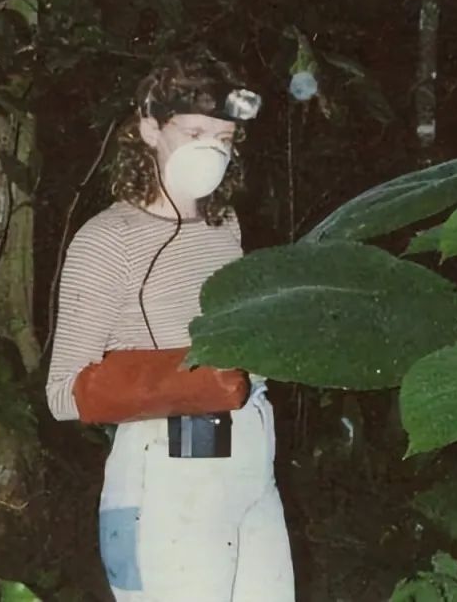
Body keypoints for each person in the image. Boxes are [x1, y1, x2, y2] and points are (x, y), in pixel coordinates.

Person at [46, 52, 295, 602]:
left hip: (253, 463)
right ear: (150, 129)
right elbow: (62, 392)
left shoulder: (225, 226)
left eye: (224, 138)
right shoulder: (105, 240)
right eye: (195, 133)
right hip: (168, 477)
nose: (213, 150)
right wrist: (188, 380)